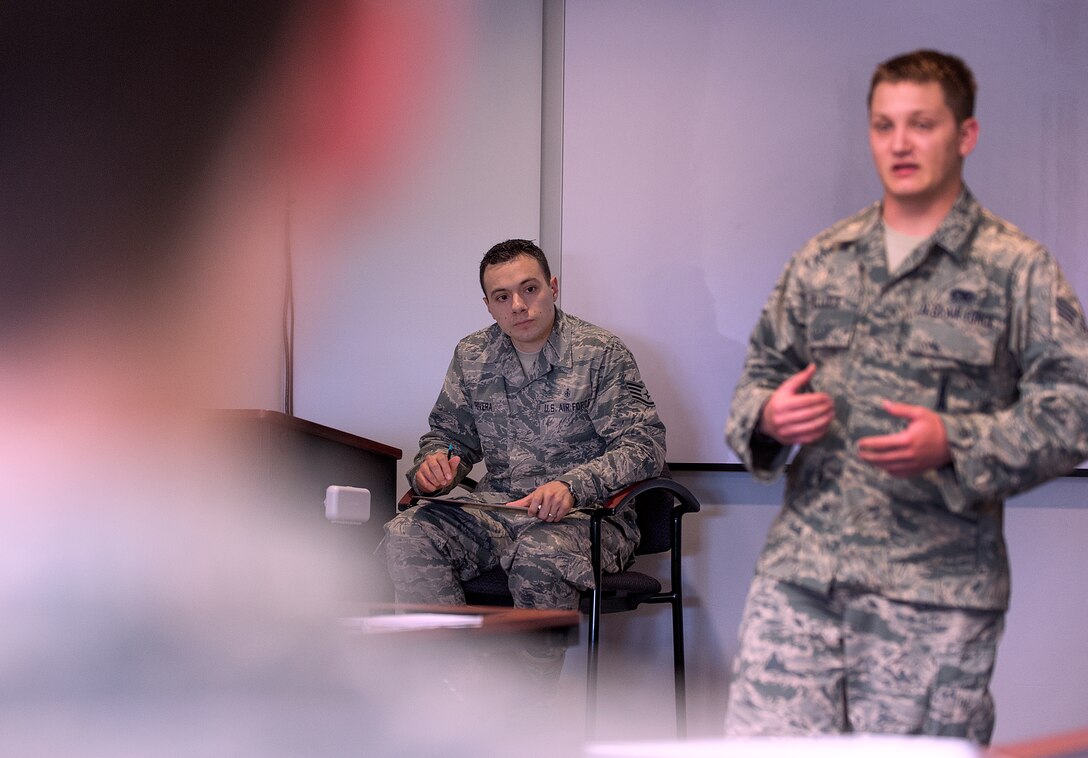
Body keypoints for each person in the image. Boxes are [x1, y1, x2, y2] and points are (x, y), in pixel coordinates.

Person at [724, 49, 1088, 744]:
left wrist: (957, 441)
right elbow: (759, 374)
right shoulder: (823, 257)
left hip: (933, 592)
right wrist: (768, 416)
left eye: (920, 123)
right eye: (883, 124)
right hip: (801, 578)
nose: (899, 143)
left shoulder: (1017, 269)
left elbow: (1074, 406)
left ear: (965, 135)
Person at [384, 238, 666, 624]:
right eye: (501, 296)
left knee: (541, 552)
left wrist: (572, 485)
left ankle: (532, 686)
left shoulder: (599, 353)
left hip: (586, 518)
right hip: (498, 510)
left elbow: (644, 445)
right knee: (408, 534)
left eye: (529, 289)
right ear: (488, 305)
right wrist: (435, 465)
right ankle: (450, 677)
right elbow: (449, 436)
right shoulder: (473, 355)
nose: (517, 305)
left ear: (552, 287)